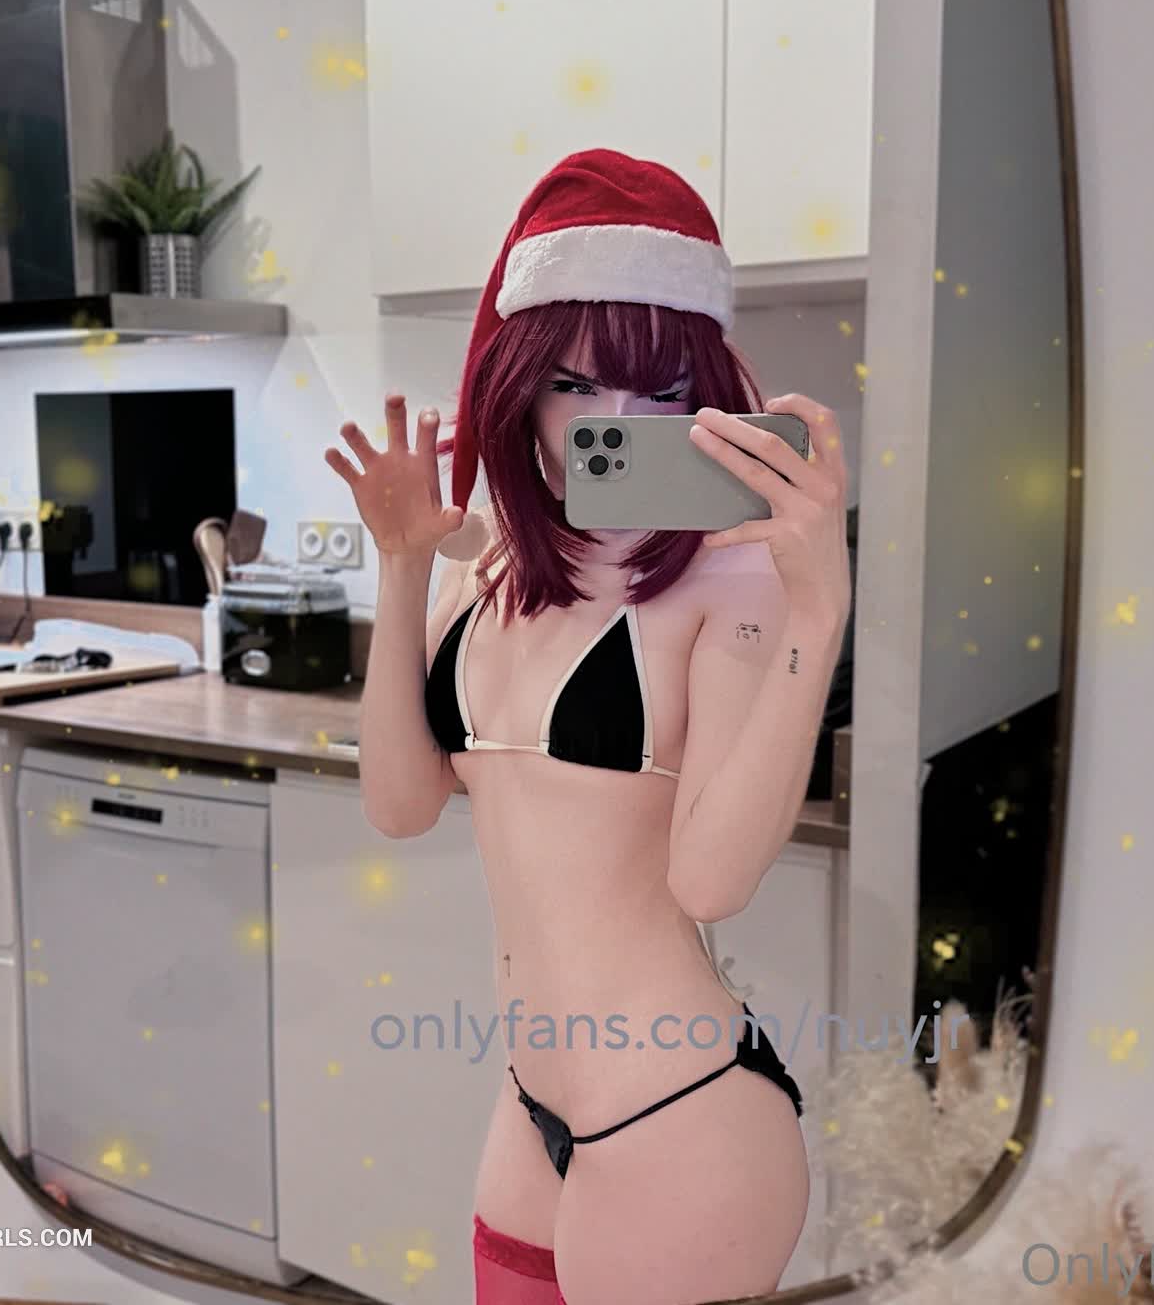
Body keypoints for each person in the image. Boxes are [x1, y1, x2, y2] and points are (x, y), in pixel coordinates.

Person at [323, 149, 853, 1305]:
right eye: (572, 384)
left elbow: (711, 881)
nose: (610, 424)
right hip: (531, 1103)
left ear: (705, 397)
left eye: (657, 392)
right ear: (517, 385)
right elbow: (400, 805)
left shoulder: (729, 581)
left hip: (681, 1114)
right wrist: (404, 565)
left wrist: (818, 611)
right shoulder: (487, 569)